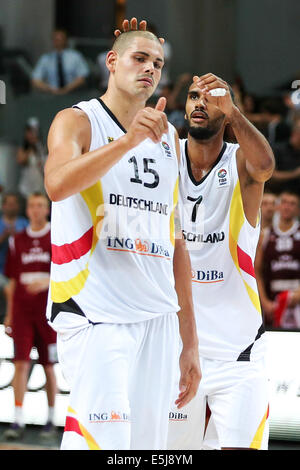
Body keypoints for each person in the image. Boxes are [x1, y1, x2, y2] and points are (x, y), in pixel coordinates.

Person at [44, 26, 200, 450]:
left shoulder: (169, 138)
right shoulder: (77, 120)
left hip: (158, 317)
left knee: (145, 451)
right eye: (139, 58)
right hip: (97, 311)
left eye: (158, 63)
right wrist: (128, 141)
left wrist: (190, 343)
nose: (150, 68)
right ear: (112, 63)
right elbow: (56, 185)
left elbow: (177, 244)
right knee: (102, 441)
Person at [166, 73, 275, 450]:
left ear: (226, 111)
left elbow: (265, 166)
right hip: (177, 348)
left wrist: (235, 113)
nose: (200, 102)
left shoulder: (241, 161)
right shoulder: (165, 157)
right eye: (194, 96)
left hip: (238, 353)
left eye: (211, 98)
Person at [3, 193, 57, 440]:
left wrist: (46, 281)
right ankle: (17, 419)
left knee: (49, 366)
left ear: (46, 210)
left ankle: (50, 419)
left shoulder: (56, 235)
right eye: (32, 206)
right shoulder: (17, 240)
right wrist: (9, 315)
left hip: (48, 312)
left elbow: (70, 273)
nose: (35, 210)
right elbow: (12, 281)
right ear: (27, 210)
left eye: (40, 206)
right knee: (21, 364)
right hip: (23, 312)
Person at [255, 191, 300, 330]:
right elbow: (257, 271)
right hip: (272, 301)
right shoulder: (266, 235)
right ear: (278, 207)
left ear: (298, 210)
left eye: (292, 204)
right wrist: (264, 302)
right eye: (284, 203)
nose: (287, 207)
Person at [32, 29, 89, 95]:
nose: (58, 42)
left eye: (60, 39)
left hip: (73, 94)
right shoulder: (45, 58)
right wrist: (50, 89)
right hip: (52, 94)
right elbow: (35, 79)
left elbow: (82, 77)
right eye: (56, 39)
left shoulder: (75, 56)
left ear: (66, 40)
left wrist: (66, 89)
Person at [0, 192, 28, 323]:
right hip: (2, 270)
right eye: (8, 204)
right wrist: (4, 237)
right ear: (3, 206)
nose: (11, 206)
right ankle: (9, 319)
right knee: (8, 288)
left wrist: (18, 238)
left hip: (21, 271)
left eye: (14, 204)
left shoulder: (24, 223)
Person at [266, 118, 300, 196]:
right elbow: (270, 176)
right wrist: (294, 174)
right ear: (295, 133)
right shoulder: (277, 149)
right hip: (278, 195)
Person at [17, 117, 47, 200]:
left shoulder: (43, 148)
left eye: (34, 131)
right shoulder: (23, 148)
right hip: (26, 189)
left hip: (41, 188)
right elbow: (20, 160)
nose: (32, 134)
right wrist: (30, 147)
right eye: (29, 132)